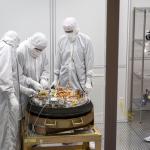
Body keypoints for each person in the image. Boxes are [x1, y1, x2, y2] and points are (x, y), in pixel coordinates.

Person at [52, 17, 94, 94]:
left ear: (76, 29)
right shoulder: (61, 40)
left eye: (70, 31)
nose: (68, 34)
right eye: (66, 31)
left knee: (79, 102)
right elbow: (57, 60)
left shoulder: (86, 40)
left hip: (79, 81)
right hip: (64, 80)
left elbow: (89, 61)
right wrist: (55, 79)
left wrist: (88, 80)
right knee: (64, 101)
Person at [17, 32, 49, 116]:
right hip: (23, 92)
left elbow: (46, 68)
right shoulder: (20, 51)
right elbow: (17, 76)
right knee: (24, 116)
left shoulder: (42, 50)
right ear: (31, 45)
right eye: (37, 49)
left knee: (38, 118)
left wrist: (43, 79)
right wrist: (32, 82)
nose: (39, 52)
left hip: (38, 93)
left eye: (41, 50)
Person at [0, 30, 20, 150]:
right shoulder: (6, 48)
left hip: (5, 97)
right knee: (8, 128)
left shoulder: (3, 46)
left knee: (5, 127)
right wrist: (11, 96)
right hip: (6, 99)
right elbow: (4, 74)